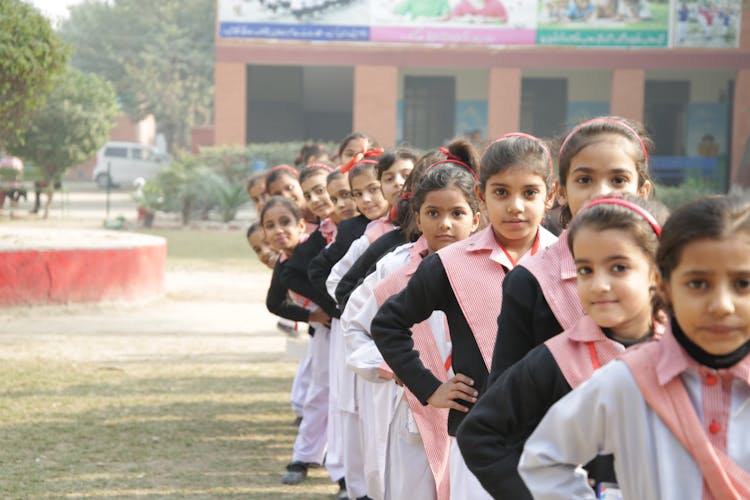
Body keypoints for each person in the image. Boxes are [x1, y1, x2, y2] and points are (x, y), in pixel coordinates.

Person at [519, 194, 750, 499]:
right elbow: (543, 459)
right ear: (663, 286)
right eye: (698, 284)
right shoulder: (627, 381)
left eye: (743, 284)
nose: (721, 306)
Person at [372, 133, 557, 499]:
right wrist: (429, 388)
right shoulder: (450, 263)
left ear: (550, 195)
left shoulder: (569, 260)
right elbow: (388, 323)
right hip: (477, 434)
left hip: (557, 434)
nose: (515, 206)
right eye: (501, 192)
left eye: (530, 193)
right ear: (482, 194)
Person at [457, 195, 669, 499]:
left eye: (619, 267)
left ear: (656, 275)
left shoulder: (686, 353)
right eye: (585, 270)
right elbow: (479, 434)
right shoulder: (556, 359)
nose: (598, 284)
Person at [343, 152, 482, 500]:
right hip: (413, 415)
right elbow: (356, 328)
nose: (445, 224)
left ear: (476, 220)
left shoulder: (493, 272)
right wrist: (398, 370)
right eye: (433, 213)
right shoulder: (395, 270)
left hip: (478, 414)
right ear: (418, 218)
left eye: (457, 213)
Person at [489, 116, 655, 383]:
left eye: (618, 179)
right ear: (562, 191)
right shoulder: (529, 280)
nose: (601, 192)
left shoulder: (670, 273)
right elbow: (503, 399)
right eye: (585, 179)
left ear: (642, 190)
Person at [260, 196, 333, 486]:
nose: (279, 230)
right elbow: (274, 303)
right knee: (317, 395)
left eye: (285, 222)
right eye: (270, 225)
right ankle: (305, 456)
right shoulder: (283, 264)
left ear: (302, 224)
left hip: (350, 328)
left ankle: (339, 464)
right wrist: (311, 316)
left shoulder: (315, 247)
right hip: (325, 334)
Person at [265, 164, 317, 228]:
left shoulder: (323, 211)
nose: (286, 196)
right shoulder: (288, 231)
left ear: (301, 184)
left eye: (289, 188)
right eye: (278, 194)